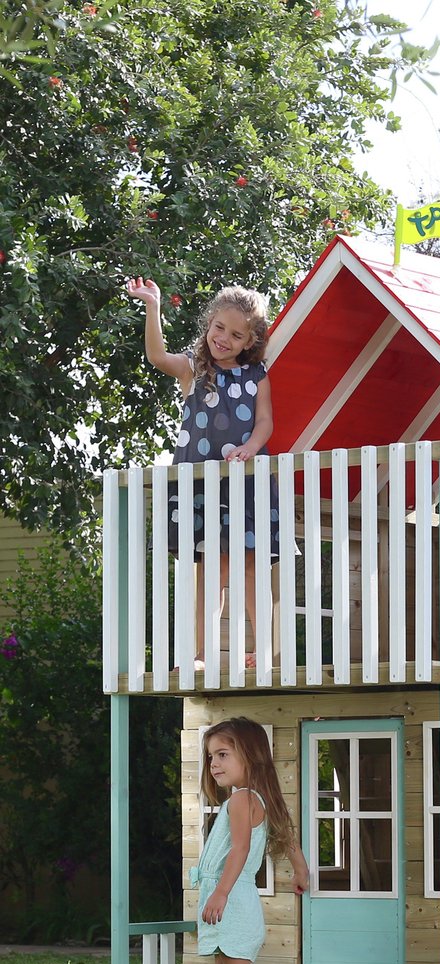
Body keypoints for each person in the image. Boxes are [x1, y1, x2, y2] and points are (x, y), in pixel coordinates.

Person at [125, 277, 281, 670]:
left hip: (243, 482)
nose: (224, 338)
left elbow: (265, 422)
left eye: (236, 334)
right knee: (209, 568)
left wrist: (250, 447)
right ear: (208, 324)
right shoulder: (193, 369)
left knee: (247, 564)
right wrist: (153, 307)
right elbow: (158, 356)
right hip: (200, 486)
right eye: (219, 328)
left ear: (250, 341)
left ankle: (263, 647)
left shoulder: (257, 375)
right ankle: (200, 654)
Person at [190, 716, 309, 964]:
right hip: (224, 895)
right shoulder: (252, 798)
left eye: (224, 754)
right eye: (211, 757)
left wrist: (221, 893)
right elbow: (285, 835)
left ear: (250, 756)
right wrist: (300, 870)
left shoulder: (242, 799)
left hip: (232, 898)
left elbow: (240, 851)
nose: (215, 764)